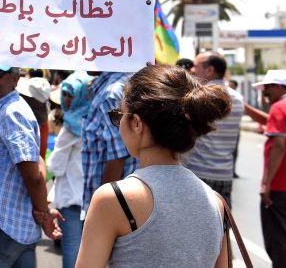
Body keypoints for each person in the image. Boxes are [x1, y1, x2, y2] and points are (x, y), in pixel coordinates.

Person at [77, 65, 230, 267]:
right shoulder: (216, 202)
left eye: (119, 115)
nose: (119, 122)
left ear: (137, 124)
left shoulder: (114, 198)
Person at [0, 64, 62, 268]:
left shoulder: (11, 112)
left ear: (15, 79)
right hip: (15, 230)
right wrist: (43, 210)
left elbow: (34, 175)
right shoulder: (6, 109)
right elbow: (37, 162)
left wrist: (43, 213)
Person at [182, 51, 243, 207]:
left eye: (196, 66)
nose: (192, 70)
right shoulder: (237, 98)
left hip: (198, 173)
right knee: (221, 226)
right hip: (224, 175)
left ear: (210, 70)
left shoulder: (198, 97)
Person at [47, 71, 93, 268]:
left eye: (71, 94)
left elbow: (55, 167)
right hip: (93, 198)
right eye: (65, 93)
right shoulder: (97, 120)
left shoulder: (70, 127)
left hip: (71, 199)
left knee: (72, 254)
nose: (67, 99)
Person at [81, 72, 137, 216]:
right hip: (128, 202)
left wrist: (101, 213)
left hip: (114, 207)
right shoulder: (128, 82)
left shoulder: (111, 94)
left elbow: (118, 157)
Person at [251, 69, 286, 266]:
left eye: (266, 88)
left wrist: (266, 183)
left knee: (278, 242)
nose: (264, 92)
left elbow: (279, 146)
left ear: (278, 86)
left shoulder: (279, 108)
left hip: (281, 186)